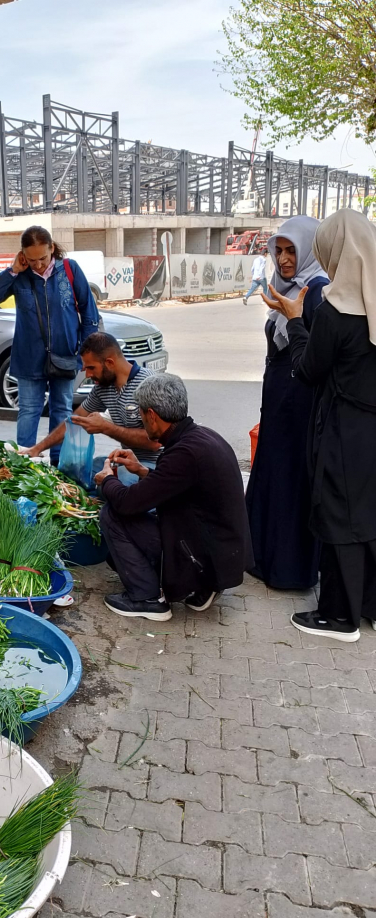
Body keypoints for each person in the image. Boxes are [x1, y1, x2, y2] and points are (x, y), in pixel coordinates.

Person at [263, 208, 376, 643]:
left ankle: (339, 616)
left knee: (339, 516)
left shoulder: (336, 310)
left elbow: (308, 370)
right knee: (369, 515)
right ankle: (370, 606)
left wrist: (294, 321)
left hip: (344, 428)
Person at [94, 373, 253, 620]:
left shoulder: (185, 453)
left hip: (205, 555)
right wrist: (142, 471)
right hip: (221, 552)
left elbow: (128, 504)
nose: (141, 420)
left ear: (152, 416)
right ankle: (204, 585)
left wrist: (107, 480)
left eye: (141, 415)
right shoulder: (203, 436)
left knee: (112, 514)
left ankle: (148, 597)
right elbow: (174, 487)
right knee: (146, 511)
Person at [246, 216, 329, 590]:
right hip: (279, 403)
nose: (283, 259)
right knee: (272, 476)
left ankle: (289, 570)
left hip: (300, 405)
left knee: (291, 480)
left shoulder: (316, 291)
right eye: (278, 251)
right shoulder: (287, 289)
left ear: (309, 249)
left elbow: (317, 357)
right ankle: (262, 558)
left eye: (291, 250)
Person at [0, 226, 99, 463]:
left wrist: (83, 355)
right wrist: (13, 270)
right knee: (28, 411)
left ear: (52, 249)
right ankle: (24, 464)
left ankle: (58, 464)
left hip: (66, 354)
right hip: (29, 358)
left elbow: (89, 312)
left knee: (62, 410)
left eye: (43, 258)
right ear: (23, 255)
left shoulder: (69, 269)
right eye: (31, 259)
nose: (38, 264)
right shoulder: (19, 276)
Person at [21, 332, 161, 479]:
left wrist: (106, 428)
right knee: (73, 474)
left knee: (116, 482)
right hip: (125, 461)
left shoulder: (148, 384)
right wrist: (37, 448)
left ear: (109, 363)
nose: (87, 375)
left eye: (91, 368)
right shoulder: (103, 387)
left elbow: (155, 444)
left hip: (154, 465)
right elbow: (74, 421)